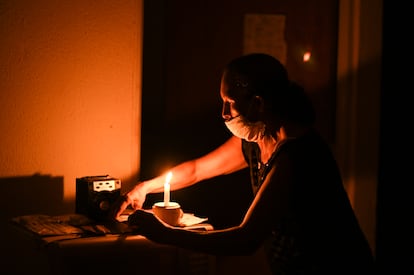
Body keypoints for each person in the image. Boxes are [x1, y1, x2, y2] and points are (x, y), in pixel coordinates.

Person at [110, 53, 375, 274]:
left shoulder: (296, 155)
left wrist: (165, 234)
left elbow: (245, 239)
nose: (223, 113)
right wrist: (144, 188)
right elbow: (197, 170)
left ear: (258, 104)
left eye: (230, 103)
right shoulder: (256, 139)